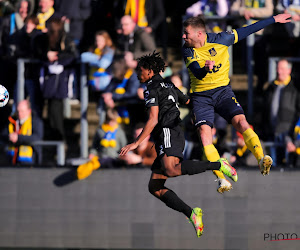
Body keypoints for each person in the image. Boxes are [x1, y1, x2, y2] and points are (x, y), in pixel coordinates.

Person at [119, 51, 238, 238]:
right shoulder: (169, 84)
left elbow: (152, 119)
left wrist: (136, 143)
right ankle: (192, 213)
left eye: (140, 70)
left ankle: (219, 165)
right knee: (155, 187)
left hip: (168, 131)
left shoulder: (151, 88)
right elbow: (189, 101)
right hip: (171, 132)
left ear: (150, 71)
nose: (137, 74)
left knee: (171, 169)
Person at [181, 13, 291, 193]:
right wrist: (205, 69)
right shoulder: (187, 50)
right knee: (204, 135)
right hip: (201, 97)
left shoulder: (222, 38)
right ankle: (221, 180)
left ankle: (261, 158)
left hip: (222, 92)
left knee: (241, 122)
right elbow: (197, 73)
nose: (184, 37)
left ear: (200, 34)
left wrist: (273, 19)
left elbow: (248, 30)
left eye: (186, 33)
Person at [263, 59, 300, 167]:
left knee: (288, 168)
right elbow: (265, 110)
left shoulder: (295, 88)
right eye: (278, 69)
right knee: (273, 167)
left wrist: (294, 135)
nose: (279, 72)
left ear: (289, 70)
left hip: (289, 135)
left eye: (282, 69)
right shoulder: (271, 87)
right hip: (272, 132)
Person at [77, 108, 127, 180]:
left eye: (113, 121)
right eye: (109, 120)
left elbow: (124, 146)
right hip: (102, 157)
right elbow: (95, 146)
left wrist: (122, 156)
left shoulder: (119, 132)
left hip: (115, 159)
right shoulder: (100, 131)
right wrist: (92, 153)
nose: (111, 123)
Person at [6, 99, 43, 165]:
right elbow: (4, 134)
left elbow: (37, 137)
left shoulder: (36, 122)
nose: (19, 114)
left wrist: (18, 138)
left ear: (29, 111)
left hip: (29, 162)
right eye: (18, 111)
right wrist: (9, 136)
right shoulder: (12, 121)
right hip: (12, 160)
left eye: (22, 111)